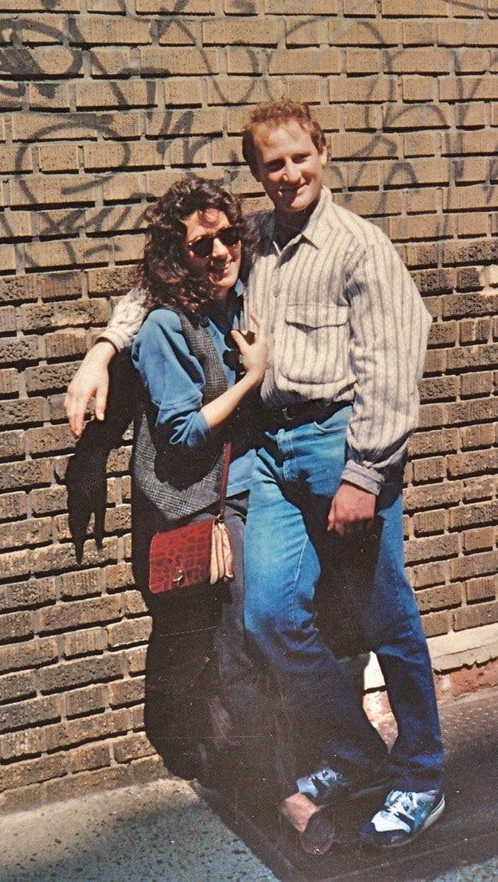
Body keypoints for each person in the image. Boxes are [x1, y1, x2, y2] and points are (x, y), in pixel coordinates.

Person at [65, 98, 444, 851]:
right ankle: (355, 748)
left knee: (386, 617)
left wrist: (365, 475)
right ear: (257, 174)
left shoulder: (359, 247)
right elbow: (158, 283)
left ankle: (421, 776)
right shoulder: (257, 238)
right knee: (269, 615)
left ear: (323, 153)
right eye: (273, 164)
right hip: (272, 451)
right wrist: (102, 350)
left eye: (300, 156)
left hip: (343, 445)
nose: (289, 173)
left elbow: (398, 363)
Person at [65, 176, 334, 854]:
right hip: (209, 502)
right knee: (241, 635)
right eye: (200, 243)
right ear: (175, 256)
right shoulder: (163, 323)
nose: (218, 250)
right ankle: (282, 790)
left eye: (226, 236)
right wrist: (250, 377)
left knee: (276, 624)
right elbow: (183, 437)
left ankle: (297, 762)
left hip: (263, 486)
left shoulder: (244, 293)